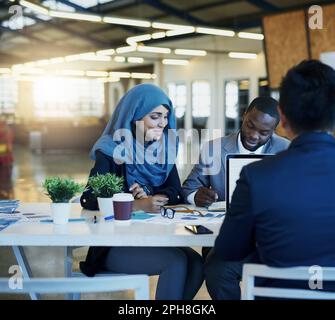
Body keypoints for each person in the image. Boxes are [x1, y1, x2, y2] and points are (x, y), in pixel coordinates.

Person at [205, 59, 335, 299]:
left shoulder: (257, 175)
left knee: (218, 263)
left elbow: (228, 248)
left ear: (282, 119)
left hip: (278, 292)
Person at [80, 83, 203, 300]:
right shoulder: (110, 150)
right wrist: (135, 204)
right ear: (135, 115)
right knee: (176, 261)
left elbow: (176, 191)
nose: (162, 123)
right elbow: (89, 198)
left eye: (165, 117)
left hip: (154, 238)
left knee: (197, 263)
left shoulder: (163, 149)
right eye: (155, 117)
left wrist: (151, 196)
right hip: (114, 245)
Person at [182, 96, 290, 208]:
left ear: (273, 131)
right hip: (224, 222)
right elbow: (188, 188)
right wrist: (195, 196)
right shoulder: (213, 149)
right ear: (244, 116)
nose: (253, 135)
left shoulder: (287, 150)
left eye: (263, 132)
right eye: (250, 126)